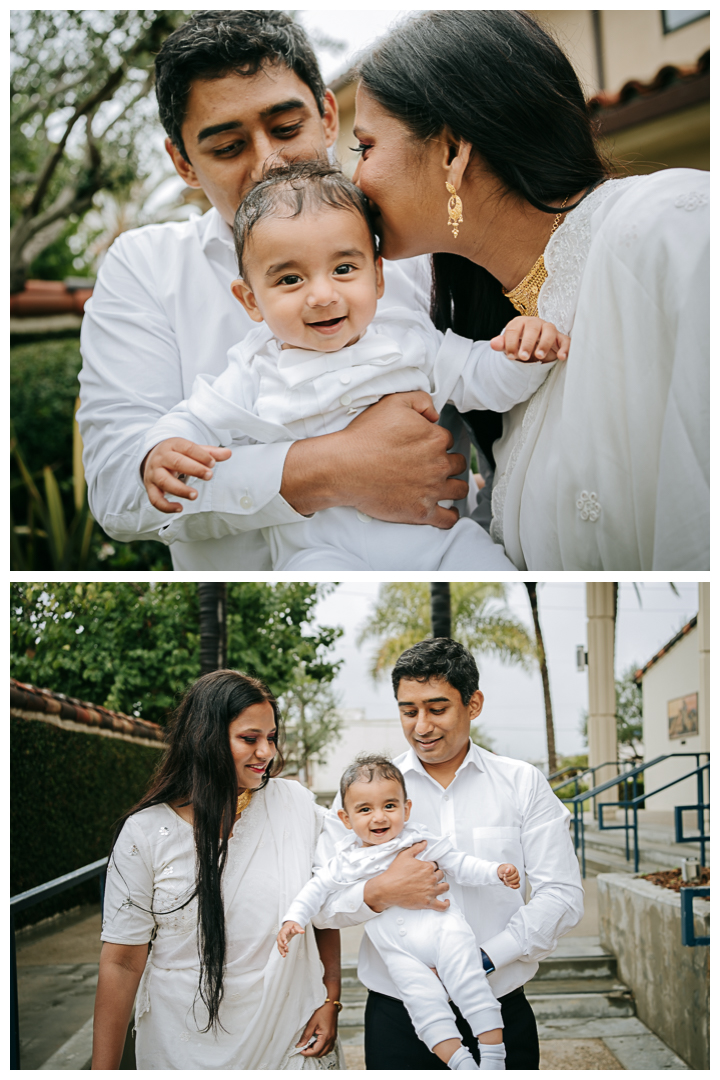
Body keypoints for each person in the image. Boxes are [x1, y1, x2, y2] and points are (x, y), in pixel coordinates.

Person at [77, 11, 483, 571]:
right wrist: (333, 468)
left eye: (287, 128)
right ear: (183, 163)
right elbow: (121, 489)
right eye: (227, 147)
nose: (268, 161)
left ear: (326, 115)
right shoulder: (144, 268)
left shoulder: (413, 241)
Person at [351, 9, 709, 570]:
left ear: (450, 152)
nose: (356, 180)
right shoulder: (502, 362)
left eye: (365, 147)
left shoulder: (672, 226)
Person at [140, 162, 570, 570]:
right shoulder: (252, 369)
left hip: (436, 544)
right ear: (251, 300)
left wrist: (522, 354)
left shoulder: (410, 340)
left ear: (378, 277)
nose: (323, 295)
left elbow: (483, 379)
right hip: (320, 553)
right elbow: (194, 419)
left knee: (487, 565)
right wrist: (162, 447)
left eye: (344, 268)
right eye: (290, 279)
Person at [313, 639, 584, 1070]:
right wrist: (382, 890)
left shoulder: (522, 783)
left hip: (500, 1007)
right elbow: (323, 905)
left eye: (437, 709)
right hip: (397, 1014)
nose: (421, 726)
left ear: (473, 704)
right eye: (408, 711)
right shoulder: (363, 796)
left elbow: (563, 897)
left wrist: (480, 960)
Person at [92, 670, 343, 1070]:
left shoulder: (293, 806)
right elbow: (121, 962)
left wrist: (331, 997)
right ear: (205, 739)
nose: (266, 752)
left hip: (288, 1035)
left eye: (271, 737)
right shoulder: (146, 834)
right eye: (250, 739)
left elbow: (324, 906)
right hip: (180, 1045)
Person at [278, 754, 521, 1070]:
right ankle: (462, 1064)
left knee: (471, 987)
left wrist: (495, 871)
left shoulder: (418, 839)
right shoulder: (346, 859)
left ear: (406, 809)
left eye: (389, 806)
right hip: (397, 951)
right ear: (346, 818)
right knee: (425, 1009)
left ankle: (492, 1058)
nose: (378, 817)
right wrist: (293, 917)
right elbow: (316, 889)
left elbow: (459, 864)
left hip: (444, 933)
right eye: (365, 810)